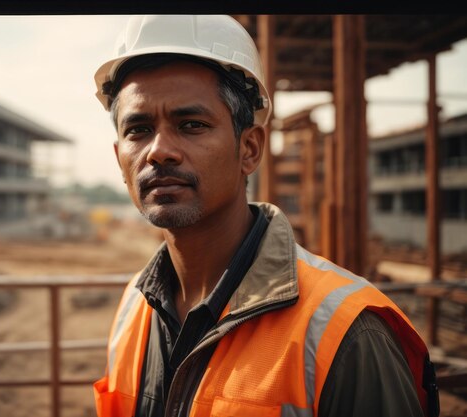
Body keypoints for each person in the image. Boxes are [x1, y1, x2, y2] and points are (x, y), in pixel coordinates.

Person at [92, 15, 439, 417]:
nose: (159, 151)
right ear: (120, 160)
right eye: (138, 129)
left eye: (191, 125)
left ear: (250, 149)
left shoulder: (346, 333)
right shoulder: (134, 308)